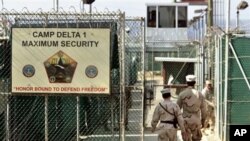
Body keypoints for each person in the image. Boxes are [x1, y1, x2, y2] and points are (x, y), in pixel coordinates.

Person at [177, 74, 207, 141]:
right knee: (197, 138)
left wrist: (177, 121)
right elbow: (204, 109)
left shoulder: (182, 94)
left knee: (186, 138)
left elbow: (177, 108)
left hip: (185, 119)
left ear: (186, 83)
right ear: (195, 83)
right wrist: (203, 120)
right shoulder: (199, 94)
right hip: (196, 119)